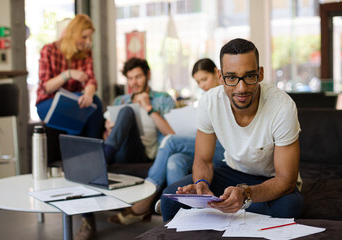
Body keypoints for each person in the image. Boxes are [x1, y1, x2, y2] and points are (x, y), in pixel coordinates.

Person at [161, 38, 305, 222]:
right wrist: (201, 184)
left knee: (291, 205)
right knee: (169, 197)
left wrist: (246, 194)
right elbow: (203, 161)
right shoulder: (210, 102)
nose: (241, 88)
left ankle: (227, 206)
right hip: (232, 172)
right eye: (231, 78)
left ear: (260, 74)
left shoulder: (282, 107)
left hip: (270, 179)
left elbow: (286, 179)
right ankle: (231, 205)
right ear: (220, 77)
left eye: (249, 76)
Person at [107, 58, 225, 226]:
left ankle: (147, 196)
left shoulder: (226, 96)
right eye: (198, 82)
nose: (202, 85)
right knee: (174, 160)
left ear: (217, 73)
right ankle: (180, 217)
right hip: (204, 144)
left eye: (204, 79)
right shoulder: (207, 99)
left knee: (170, 141)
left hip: (221, 148)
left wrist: (149, 108)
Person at [76, 57, 175, 240]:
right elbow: (110, 137)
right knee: (126, 111)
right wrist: (108, 131)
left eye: (138, 77)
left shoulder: (163, 99)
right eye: (130, 79)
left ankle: (99, 160)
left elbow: (171, 134)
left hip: (145, 153)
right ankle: (103, 157)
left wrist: (148, 108)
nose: (133, 83)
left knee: (127, 111)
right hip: (121, 151)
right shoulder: (121, 100)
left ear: (148, 75)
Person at [36, 14, 103, 138]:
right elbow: (46, 88)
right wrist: (68, 74)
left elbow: (91, 80)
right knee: (77, 105)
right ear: (72, 34)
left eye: (90, 37)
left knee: (95, 102)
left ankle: (95, 151)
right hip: (47, 102)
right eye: (84, 37)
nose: (88, 42)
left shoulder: (86, 53)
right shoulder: (49, 50)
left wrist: (88, 94)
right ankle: (76, 155)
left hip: (72, 101)